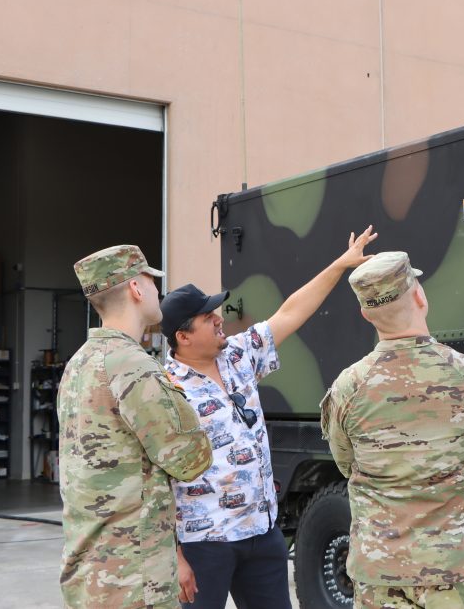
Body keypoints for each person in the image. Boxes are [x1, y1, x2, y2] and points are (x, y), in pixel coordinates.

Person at [161, 226, 378, 609]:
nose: (218, 319)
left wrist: (341, 265)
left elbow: (292, 311)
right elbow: (155, 478)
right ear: (183, 336)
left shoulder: (238, 355)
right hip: (203, 542)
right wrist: (175, 556)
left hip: (262, 535)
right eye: (207, 317)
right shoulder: (164, 390)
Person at [320, 251, 464, 609]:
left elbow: (347, 463)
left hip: (379, 575)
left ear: (365, 313)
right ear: (420, 297)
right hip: (455, 571)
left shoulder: (348, 387)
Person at [58, 245, 213, 609]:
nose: (158, 290)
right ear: (136, 289)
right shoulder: (133, 366)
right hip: (133, 577)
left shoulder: (79, 363)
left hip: (92, 571)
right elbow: (192, 460)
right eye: (152, 281)